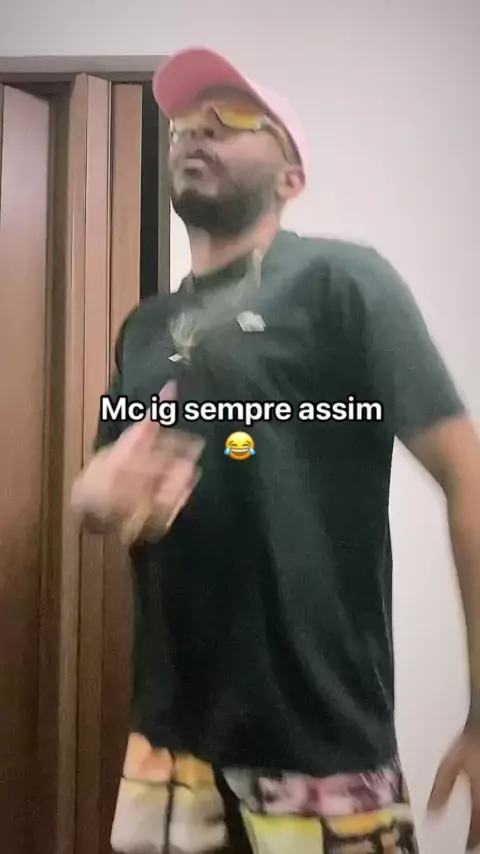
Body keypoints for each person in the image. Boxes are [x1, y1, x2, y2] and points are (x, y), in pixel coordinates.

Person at [71, 46, 480, 854]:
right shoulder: (145, 329)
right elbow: (100, 489)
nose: (197, 131)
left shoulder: (342, 281)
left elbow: (466, 474)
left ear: (291, 177)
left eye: (232, 119)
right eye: (185, 124)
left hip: (321, 744)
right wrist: (96, 498)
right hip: (167, 750)